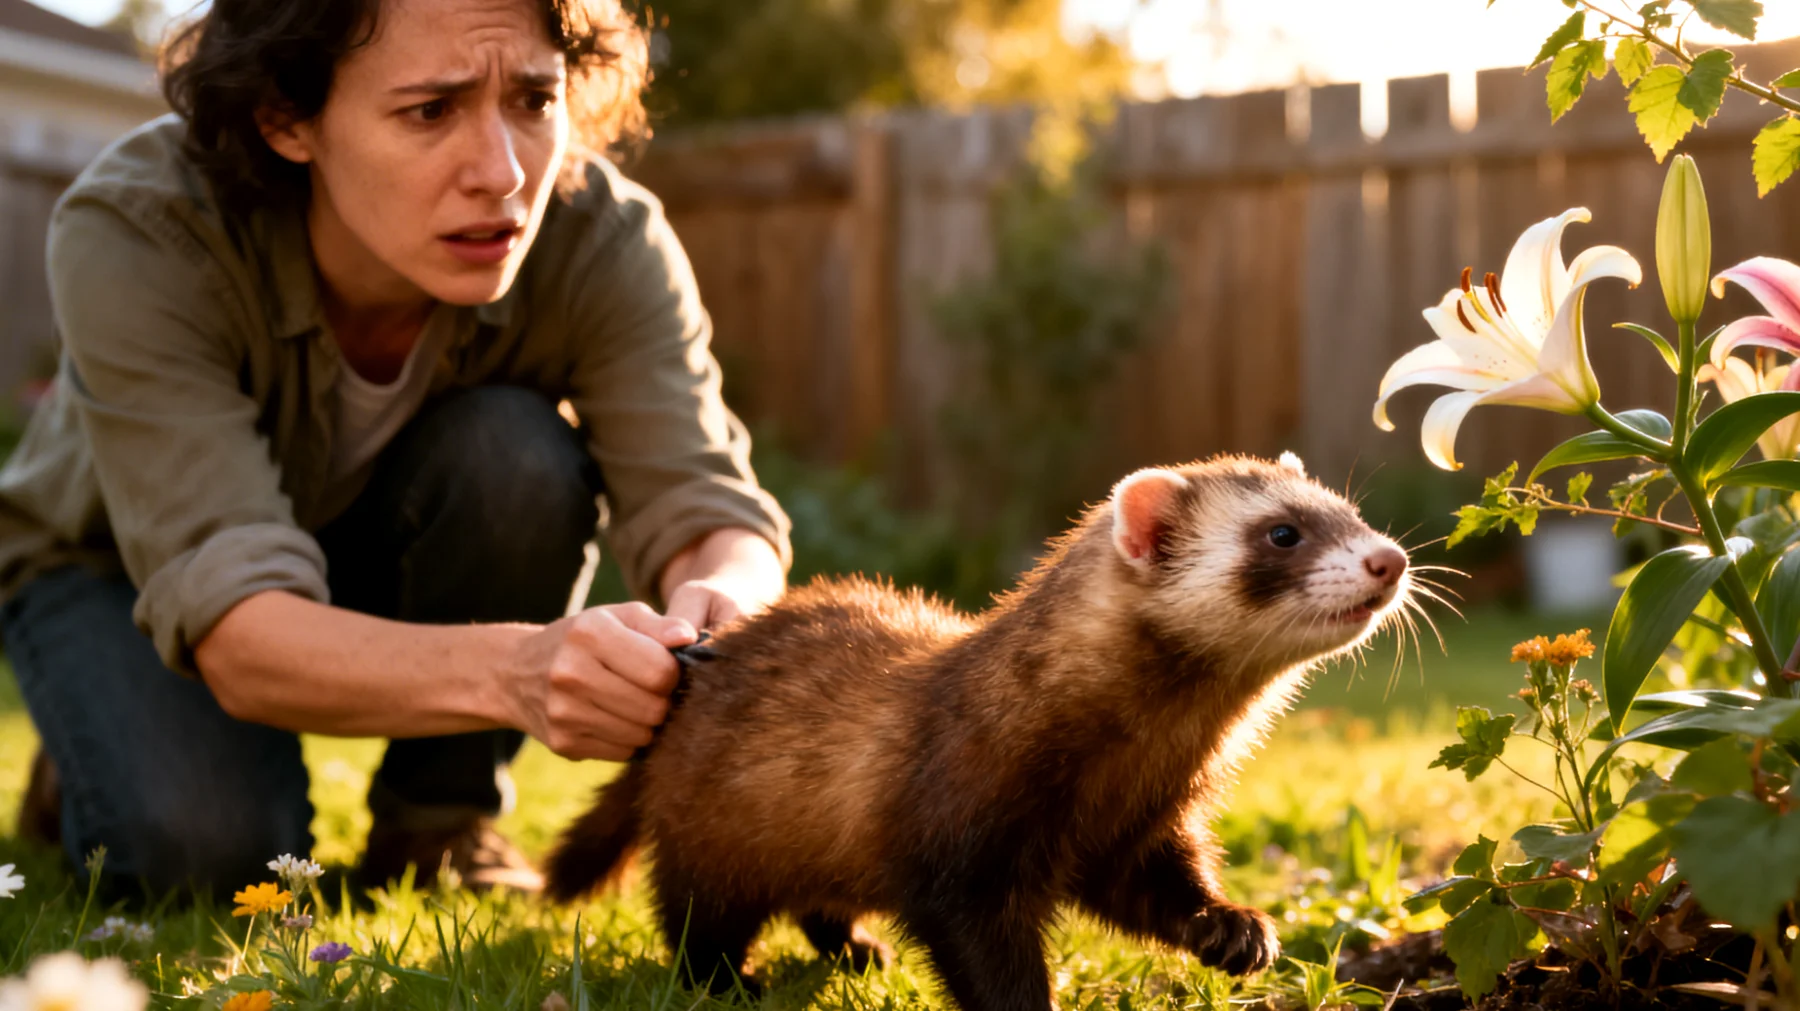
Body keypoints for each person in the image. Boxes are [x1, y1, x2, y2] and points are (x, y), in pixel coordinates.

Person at [0, 0, 791, 896]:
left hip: (364, 541)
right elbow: (236, 623)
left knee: (519, 454)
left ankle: (438, 826)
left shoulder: (602, 237)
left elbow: (706, 503)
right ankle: (90, 754)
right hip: (119, 572)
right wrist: (524, 672)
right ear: (285, 119)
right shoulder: (141, 228)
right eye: (430, 110)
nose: (502, 174)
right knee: (208, 855)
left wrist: (727, 611)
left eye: (533, 99)